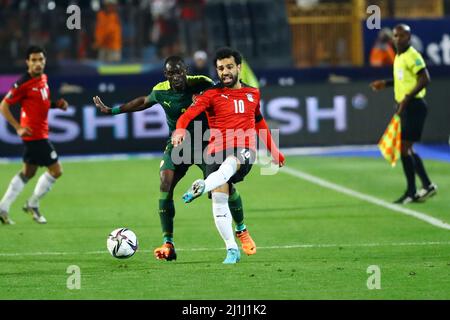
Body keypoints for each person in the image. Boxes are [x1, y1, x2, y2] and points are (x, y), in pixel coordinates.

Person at [92, 56, 256, 261]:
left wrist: (247, 92)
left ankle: (241, 229)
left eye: (179, 72)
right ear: (166, 75)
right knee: (165, 183)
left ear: (185, 71)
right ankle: (168, 243)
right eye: (171, 73)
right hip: (179, 144)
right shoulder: (161, 90)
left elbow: (226, 90)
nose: (176, 77)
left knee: (223, 186)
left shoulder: (201, 82)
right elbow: (143, 101)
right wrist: (112, 111)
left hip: (207, 142)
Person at [172, 47, 285, 264]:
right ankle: (231, 249)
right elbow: (187, 116)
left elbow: (259, 123)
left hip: (243, 149)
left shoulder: (253, 93)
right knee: (220, 198)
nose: (225, 72)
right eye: (221, 68)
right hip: (215, 151)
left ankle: (202, 185)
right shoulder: (211, 95)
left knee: (232, 162)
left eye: (229, 67)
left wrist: (274, 151)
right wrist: (179, 129)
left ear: (239, 67)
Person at [0, 46, 68, 225]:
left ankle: (3, 208)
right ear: (27, 62)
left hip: (39, 133)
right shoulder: (23, 83)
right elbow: (3, 106)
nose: (38, 64)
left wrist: (56, 105)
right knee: (56, 170)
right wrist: (17, 127)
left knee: (28, 172)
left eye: (41, 60)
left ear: (44, 61)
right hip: (34, 135)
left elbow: (41, 103)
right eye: (34, 60)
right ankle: (32, 204)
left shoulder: (43, 78)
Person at [370, 24, 437, 204]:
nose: (397, 39)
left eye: (401, 36)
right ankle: (426, 185)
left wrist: (407, 98)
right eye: (395, 36)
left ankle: (412, 191)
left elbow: (424, 78)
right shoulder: (399, 57)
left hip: (414, 106)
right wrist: (385, 83)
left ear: (408, 37)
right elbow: (403, 80)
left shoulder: (412, 55)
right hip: (407, 106)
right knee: (406, 147)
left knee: (404, 147)